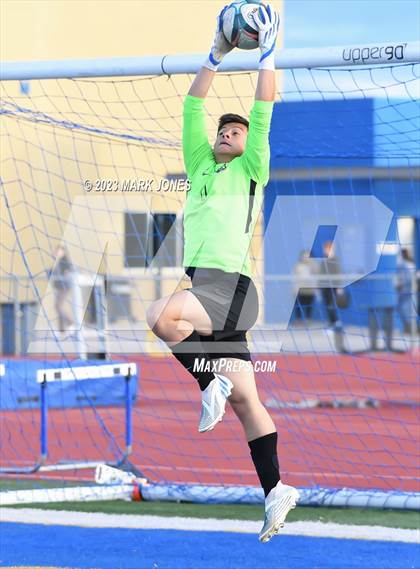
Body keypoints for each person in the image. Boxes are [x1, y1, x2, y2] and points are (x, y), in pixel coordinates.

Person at [146, 4, 299, 543]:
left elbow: (264, 107)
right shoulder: (201, 164)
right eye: (225, 129)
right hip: (211, 288)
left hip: (229, 288)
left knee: (160, 316)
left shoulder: (252, 166)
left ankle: (206, 379)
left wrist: (267, 54)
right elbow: (193, 105)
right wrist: (216, 54)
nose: (231, 132)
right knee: (245, 401)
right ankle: (276, 489)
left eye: (238, 130)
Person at [318, 241, 346, 353]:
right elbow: (320, 274)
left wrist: (339, 287)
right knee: (327, 305)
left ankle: (335, 323)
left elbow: (338, 273)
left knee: (331, 305)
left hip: (333, 287)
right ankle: (332, 324)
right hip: (325, 287)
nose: (326, 251)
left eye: (328, 249)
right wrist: (319, 286)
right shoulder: (323, 260)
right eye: (325, 249)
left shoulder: (335, 260)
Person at [51, 245, 74, 333]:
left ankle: (70, 322)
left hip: (63, 287)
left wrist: (65, 274)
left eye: (58, 251)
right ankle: (61, 329)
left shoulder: (65, 261)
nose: (56, 252)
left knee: (58, 306)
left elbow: (68, 271)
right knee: (58, 307)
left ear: (63, 251)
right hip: (59, 287)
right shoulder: (59, 261)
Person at [293, 250, 318, 322]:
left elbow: (317, 275)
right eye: (304, 256)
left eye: (308, 256)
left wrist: (311, 264)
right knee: (298, 306)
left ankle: (308, 319)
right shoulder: (298, 265)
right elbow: (295, 277)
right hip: (300, 289)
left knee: (309, 305)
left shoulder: (314, 265)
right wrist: (294, 289)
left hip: (310, 289)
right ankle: (298, 320)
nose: (306, 257)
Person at [396, 248, 416, 334]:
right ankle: (409, 328)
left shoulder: (404, 265)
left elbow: (404, 279)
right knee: (409, 309)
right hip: (411, 290)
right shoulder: (412, 264)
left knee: (405, 309)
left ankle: (410, 328)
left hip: (407, 290)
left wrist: (399, 285)